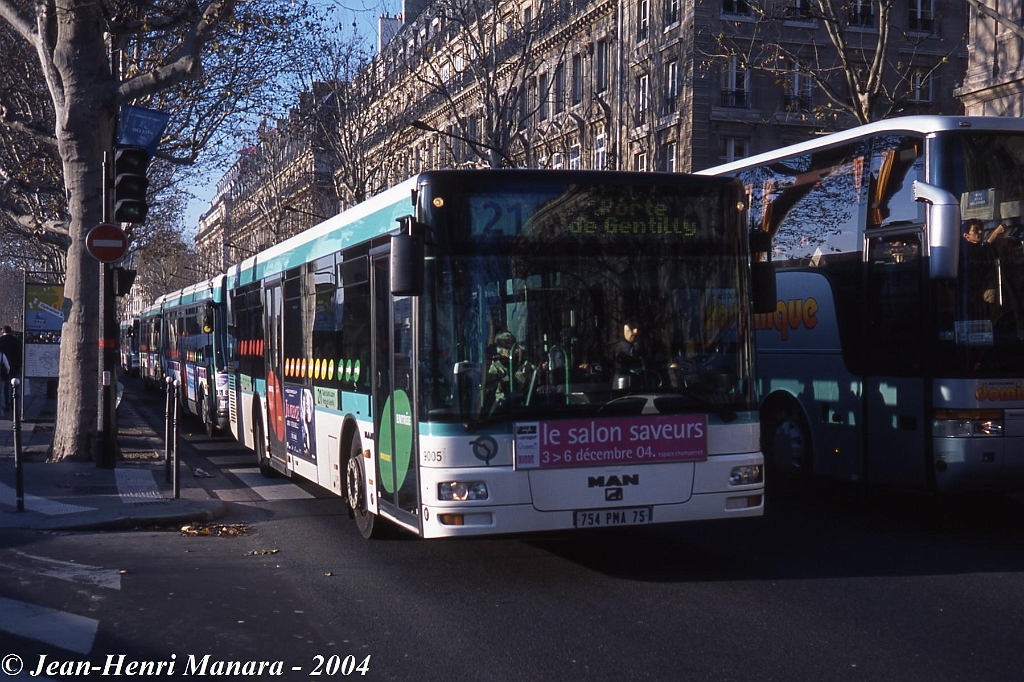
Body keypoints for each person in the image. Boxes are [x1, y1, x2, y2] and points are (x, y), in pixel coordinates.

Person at [0, 326, 19, 414]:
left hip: (3, 367)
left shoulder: (1, 340)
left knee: (5, 387)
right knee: (14, 386)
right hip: (15, 366)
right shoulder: (17, 341)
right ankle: (13, 403)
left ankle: (6, 404)